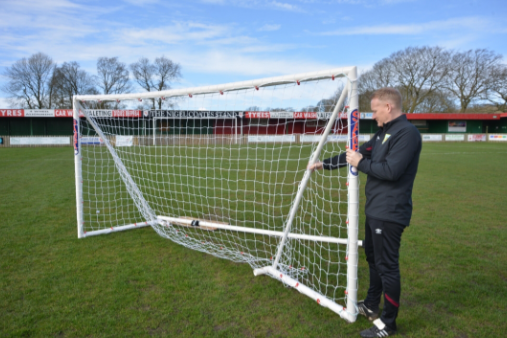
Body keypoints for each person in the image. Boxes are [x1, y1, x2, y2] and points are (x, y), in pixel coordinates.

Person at [308, 88, 422, 337]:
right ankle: (371, 305)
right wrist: (323, 164)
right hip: (375, 209)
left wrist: (361, 164)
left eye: (375, 109)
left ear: (388, 108)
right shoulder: (383, 133)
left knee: (387, 266)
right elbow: (355, 155)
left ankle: (388, 324)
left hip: (390, 212)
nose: (373, 114)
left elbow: (391, 171)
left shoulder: (407, 134)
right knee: (373, 257)